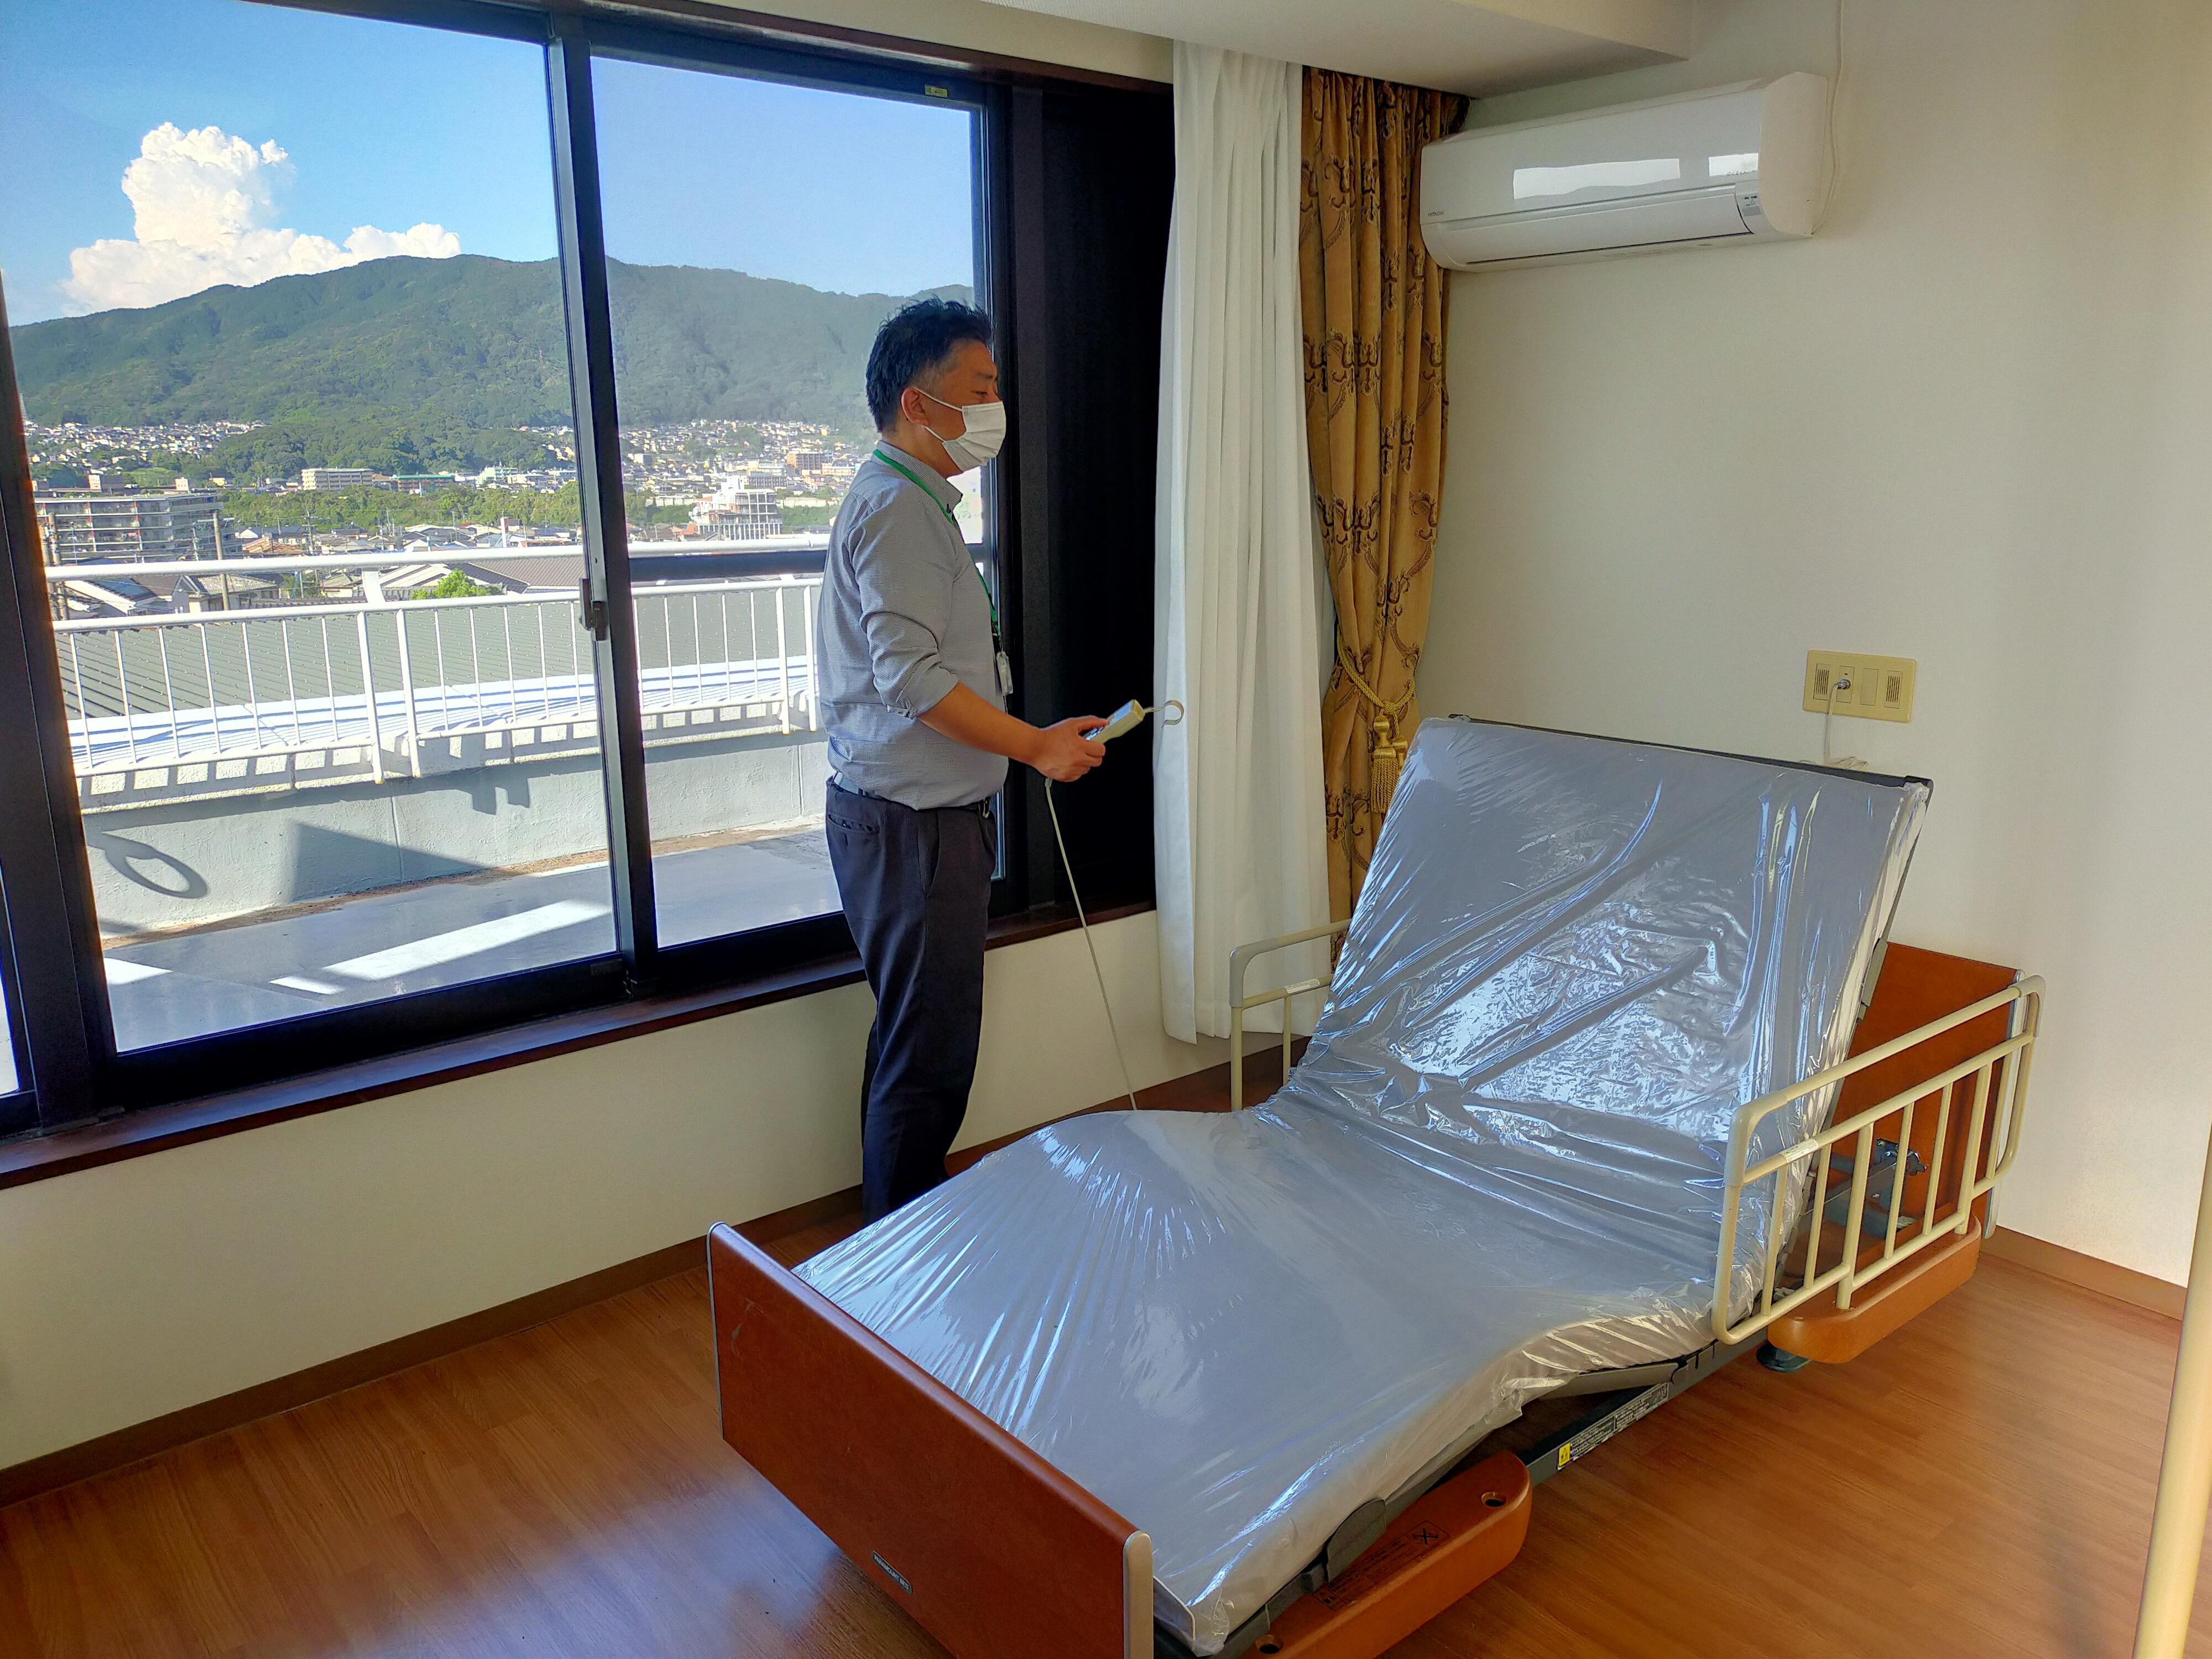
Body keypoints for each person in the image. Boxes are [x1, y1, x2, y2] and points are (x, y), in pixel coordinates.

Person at [817, 298, 1105, 1222]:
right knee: (928, 1052)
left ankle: (897, 1228)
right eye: (980, 388)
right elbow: (909, 678)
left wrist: (1032, 738)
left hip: (912, 823)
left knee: (917, 1039)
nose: (996, 406)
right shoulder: (899, 510)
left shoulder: (911, 502)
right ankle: (904, 1253)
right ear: (918, 404)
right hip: (916, 829)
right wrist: (1036, 748)